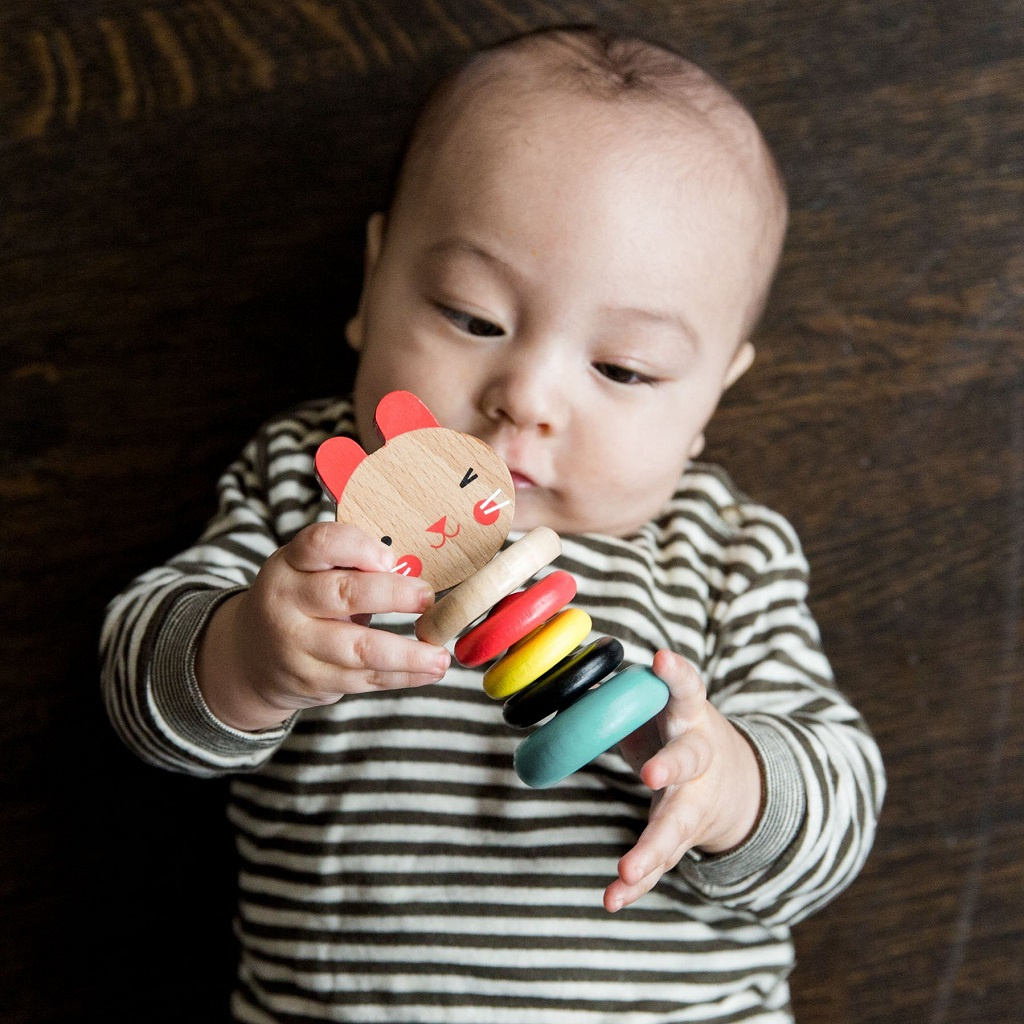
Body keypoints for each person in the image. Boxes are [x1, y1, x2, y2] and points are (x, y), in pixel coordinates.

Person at [101, 25, 884, 1024]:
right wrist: (246, 655)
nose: (526, 398)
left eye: (623, 369)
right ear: (373, 282)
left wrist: (732, 783)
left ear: (709, 399)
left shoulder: (725, 553)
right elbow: (137, 688)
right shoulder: (311, 492)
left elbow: (839, 814)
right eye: (473, 317)